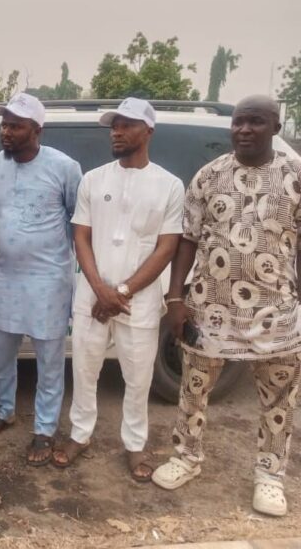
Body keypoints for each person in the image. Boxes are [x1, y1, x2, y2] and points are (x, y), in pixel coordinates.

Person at [152, 95, 301, 516]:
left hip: (277, 312)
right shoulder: (209, 176)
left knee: (279, 400)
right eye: (238, 122)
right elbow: (188, 240)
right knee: (193, 390)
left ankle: (270, 475)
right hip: (210, 310)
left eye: (255, 122)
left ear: (276, 127)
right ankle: (186, 456)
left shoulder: (295, 175)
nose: (244, 130)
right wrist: (176, 298)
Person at [53, 98, 184, 480]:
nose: (117, 132)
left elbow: (167, 247)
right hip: (92, 297)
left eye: (127, 125)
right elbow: (81, 236)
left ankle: (135, 445)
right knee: (85, 370)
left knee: (138, 378)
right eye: (114, 126)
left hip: (138, 303)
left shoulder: (169, 185)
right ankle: (80, 435)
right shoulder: (94, 180)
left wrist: (121, 292)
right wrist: (100, 289)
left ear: (148, 131)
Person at [0, 92, 82, 466]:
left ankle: (45, 428)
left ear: (37, 130)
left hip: (47, 278)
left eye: (15, 126)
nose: (6, 132)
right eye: (4, 124)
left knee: (49, 359)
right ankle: (3, 410)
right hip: (3, 275)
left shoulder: (64, 167)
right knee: (2, 352)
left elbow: (77, 221)